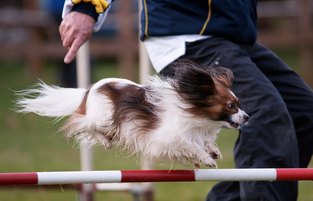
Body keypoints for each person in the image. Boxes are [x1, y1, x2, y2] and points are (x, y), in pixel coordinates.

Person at [59, 0, 313, 200]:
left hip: (235, 38)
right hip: (187, 34)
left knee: (303, 109)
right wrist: (86, 6)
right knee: (266, 112)